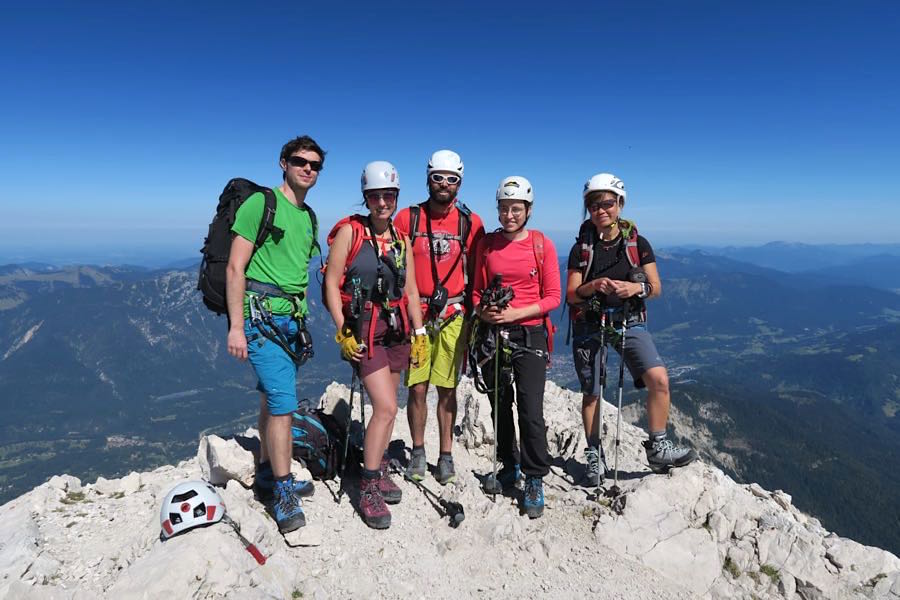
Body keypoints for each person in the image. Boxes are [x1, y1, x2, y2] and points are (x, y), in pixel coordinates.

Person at [566, 172, 697, 485]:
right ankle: (594, 453)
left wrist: (632, 289)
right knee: (591, 392)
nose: (602, 210)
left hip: (628, 319)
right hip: (590, 320)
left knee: (659, 379)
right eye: (594, 205)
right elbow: (571, 294)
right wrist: (594, 285)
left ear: (620, 204)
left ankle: (658, 445)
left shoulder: (638, 244)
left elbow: (655, 287)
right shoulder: (581, 249)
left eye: (607, 203)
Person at [225, 135, 324, 533]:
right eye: (300, 161)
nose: (308, 169)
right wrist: (236, 327)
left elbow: (294, 268)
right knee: (284, 404)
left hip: (289, 321)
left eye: (315, 165)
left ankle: (267, 471)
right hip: (261, 318)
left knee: (272, 397)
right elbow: (235, 268)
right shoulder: (260, 205)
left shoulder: (309, 216)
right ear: (283, 162)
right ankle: (282, 493)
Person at [323, 161, 426, 529]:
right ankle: (368, 486)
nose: (383, 202)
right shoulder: (351, 233)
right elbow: (332, 285)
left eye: (389, 195)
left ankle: (378, 464)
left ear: (396, 197)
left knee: (391, 406)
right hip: (365, 330)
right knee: (384, 407)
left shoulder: (401, 240)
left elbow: (411, 290)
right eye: (375, 196)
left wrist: (420, 332)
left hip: (397, 330)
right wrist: (342, 331)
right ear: (366, 198)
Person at [471, 176, 561, 519]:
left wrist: (515, 313)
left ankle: (535, 476)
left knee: (529, 407)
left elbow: (552, 297)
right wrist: (485, 311)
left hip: (530, 334)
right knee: (499, 404)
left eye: (516, 209)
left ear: (528, 210)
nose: (510, 214)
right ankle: (510, 465)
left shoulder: (542, 245)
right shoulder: (487, 245)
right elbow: (477, 291)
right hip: (494, 333)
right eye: (505, 208)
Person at [393, 150, 485, 485]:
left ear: (459, 183)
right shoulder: (408, 219)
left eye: (451, 179)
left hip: (454, 315)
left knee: (447, 388)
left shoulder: (470, 223)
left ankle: (445, 455)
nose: (444, 184)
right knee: (417, 387)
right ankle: (418, 451)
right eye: (438, 178)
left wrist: (478, 316)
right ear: (428, 178)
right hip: (416, 314)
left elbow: (477, 271)